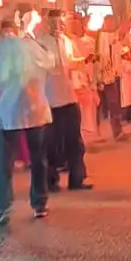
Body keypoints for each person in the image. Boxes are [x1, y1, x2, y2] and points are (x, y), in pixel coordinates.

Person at [0, 17, 55, 224]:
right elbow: (51, 63)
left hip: (9, 112)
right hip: (34, 110)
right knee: (38, 159)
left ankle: (3, 207)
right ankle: (39, 203)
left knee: (4, 163)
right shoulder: (30, 45)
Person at [36, 10, 91, 192]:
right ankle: (50, 181)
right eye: (54, 22)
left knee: (75, 141)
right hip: (50, 99)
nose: (58, 25)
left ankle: (77, 179)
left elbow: (70, 62)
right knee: (50, 142)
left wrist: (84, 60)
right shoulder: (41, 43)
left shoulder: (66, 41)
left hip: (68, 96)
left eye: (60, 22)